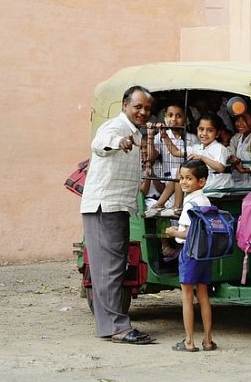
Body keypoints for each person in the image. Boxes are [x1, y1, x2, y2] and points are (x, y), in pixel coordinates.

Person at [79, 85, 156, 345]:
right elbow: (100, 144)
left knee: (112, 268)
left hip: (117, 207)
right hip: (105, 207)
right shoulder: (116, 128)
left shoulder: (134, 132)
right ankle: (117, 328)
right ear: (125, 106)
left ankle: (112, 325)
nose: (143, 112)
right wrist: (118, 142)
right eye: (137, 106)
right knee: (109, 270)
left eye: (147, 108)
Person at [164, 160, 217, 352]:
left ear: (201, 181)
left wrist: (172, 232)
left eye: (189, 178)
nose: (184, 182)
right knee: (203, 296)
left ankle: (188, 341)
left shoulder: (189, 203)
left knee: (187, 297)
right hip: (205, 254)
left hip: (190, 252)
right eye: (181, 178)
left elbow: (186, 233)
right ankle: (208, 340)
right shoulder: (205, 201)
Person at [158, 112, 234, 209]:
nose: (204, 134)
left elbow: (220, 168)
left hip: (217, 183)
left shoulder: (219, 148)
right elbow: (175, 152)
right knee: (179, 172)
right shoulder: (197, 148)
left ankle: (177, 206)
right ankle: (161, 203)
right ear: (197, 130)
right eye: (201, 129)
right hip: (206, 180)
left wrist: (202, 158)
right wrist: (165, 136)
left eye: (209, 130)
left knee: (184, 176)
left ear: (217, 133)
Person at [143, 102, 197, 219]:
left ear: (185, 119)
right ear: (165, 118)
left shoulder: (192, 138)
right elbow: (151, 156)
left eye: (179, 116)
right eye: (170, 115)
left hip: (188, 182)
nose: (174, 119)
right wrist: (151, 136)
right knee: (172, 219)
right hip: (168, 185)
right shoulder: (160, 137)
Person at [228, 110, 251, 188]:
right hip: (238, 183)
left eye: (244, 119)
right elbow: (229, 151)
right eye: (237, 119)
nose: (239, 123)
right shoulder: (236, 138)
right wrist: (232, 157)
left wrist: (245, 170)